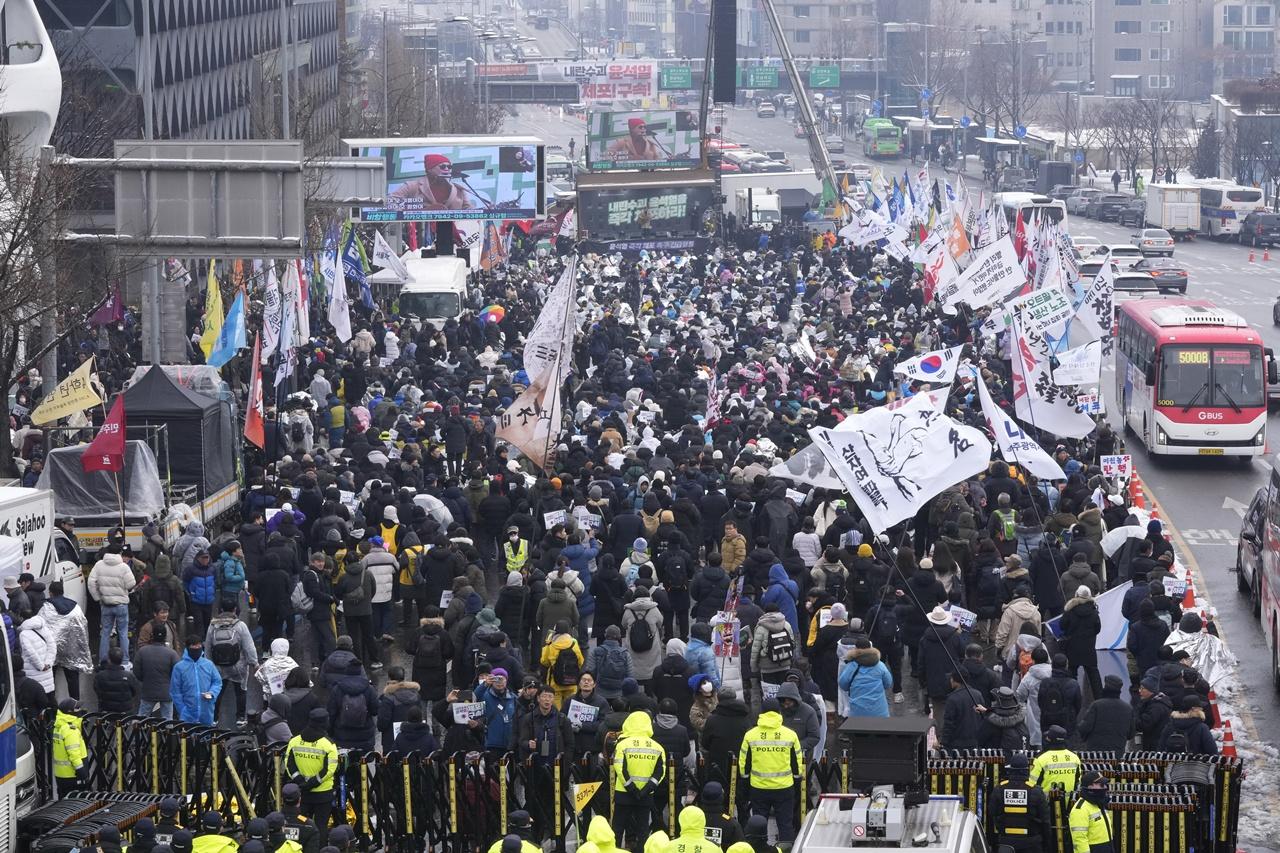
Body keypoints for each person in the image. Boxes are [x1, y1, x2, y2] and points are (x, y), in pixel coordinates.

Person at [738, 698, 803, 845]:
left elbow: (744, 764)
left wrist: (746, 781)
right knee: (785, 824)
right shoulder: (790, 735)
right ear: (779, 712)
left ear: (762, 713)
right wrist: (797, 780)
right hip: (784, 788)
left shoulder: (751, 735)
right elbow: (797, 763)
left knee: (759, 824)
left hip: (759, 788)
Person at [613, 710, 667, 851]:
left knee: (617, 829)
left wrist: (631, 788)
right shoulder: (658, 747)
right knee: (643, 831)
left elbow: (619, 768)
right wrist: (646, 789)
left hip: (623, 793)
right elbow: (660, 772)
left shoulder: (622, 745)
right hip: (645, 795)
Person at [285, 708, 339, 840]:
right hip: (322, 795)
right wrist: (313, 782)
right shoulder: (328, 744)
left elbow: (289, 763)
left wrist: (300, 781)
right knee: (320, 826)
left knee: (300, 824)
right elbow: (330, 769)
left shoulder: (294, 741)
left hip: (302, 794)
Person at [206, 599, 258, 727]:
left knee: (218, 691)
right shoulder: (240, 625)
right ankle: (240, 718)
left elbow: (208, 646)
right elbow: (249, 646)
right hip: (238, 666)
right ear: (235, 609)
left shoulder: (213, 625)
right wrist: (254, 663)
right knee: (241, 691)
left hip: (218, 666)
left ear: (221, 610)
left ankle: (214, 718)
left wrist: (208, 664)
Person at [990, 753, 1050, 852]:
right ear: (1027, 770)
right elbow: (1045, 821)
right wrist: (1047, 845)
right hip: (1031, 844)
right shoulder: (1036, 791)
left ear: (1010, 770)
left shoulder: (999, 789)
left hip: (1006, 843)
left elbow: (992, 813)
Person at [88, 546, 137, 666]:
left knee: (105, 633)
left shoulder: (99, 565)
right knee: (123, 633)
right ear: (119, 553)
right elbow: (131, 584)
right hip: (121, 605)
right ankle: (125, 661)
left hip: (106, 604)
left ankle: (102, 661)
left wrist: (98, 598)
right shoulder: (124, 567)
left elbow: (91, 583)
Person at [387, 153, 476, 211]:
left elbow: (468, 210)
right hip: (420, 235)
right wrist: (421, 212)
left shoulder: (458, 189)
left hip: (452, 236)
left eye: (449, 167)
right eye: (442, 166)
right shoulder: (412, 186)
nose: (446, 169)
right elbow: (390, 202)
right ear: (430, 169)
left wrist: (486, 210)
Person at [171, 636, 222, 726]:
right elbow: (175, 691)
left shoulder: (208, 664)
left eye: (199, 647)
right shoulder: (179, 667)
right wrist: (182, 709)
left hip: (206, 712)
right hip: (187, 715)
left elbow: (217, 682)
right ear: (187, 648)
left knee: (207, 737)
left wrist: (212, 693)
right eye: (194, 648)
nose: (197, 650)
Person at [1078, 675, 1135, 752]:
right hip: (1117, 753)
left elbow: (1084, 728)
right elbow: (1130, 734)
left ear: (1106, 687)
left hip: (1096, 753)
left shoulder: (1097, 705)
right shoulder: (1128, 709)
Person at [1069, 770, 1115, 853]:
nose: (1105, 787)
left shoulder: (1098, 803)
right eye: (1101, 785)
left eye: (1105, 784)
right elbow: (1079, 840)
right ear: (1090, 787)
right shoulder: (1080, 809)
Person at [1030, 726, 1081, 793]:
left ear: (1049, 739)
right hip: (1070, 801)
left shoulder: (1041, 758)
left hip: (1045, 801)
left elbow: (1032, 784)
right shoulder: (1074, 757)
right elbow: (1078, 782)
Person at [52, 698, 88, 793]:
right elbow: (74, 753)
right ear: (69, 712)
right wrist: (81, 771)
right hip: (73, 775)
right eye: (77, 708)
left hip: (61, 775)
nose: (80, 710)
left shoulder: (59, 726)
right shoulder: (70, 730)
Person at [94, 646, 141, 713]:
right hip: (125, 710)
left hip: (106, 709)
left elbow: (97, 690)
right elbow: (134, 691)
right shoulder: (129, 676)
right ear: (121, 660)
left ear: (109, 660)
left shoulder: (100, 676)